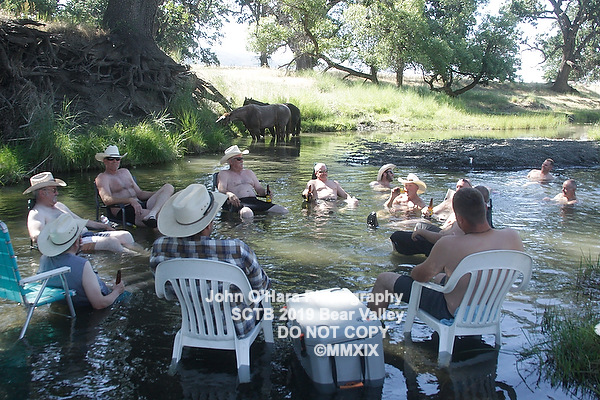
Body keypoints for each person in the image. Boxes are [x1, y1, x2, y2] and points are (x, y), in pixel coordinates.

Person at [368, 187, 524, 320]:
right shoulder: (512, 237)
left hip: (452, 312)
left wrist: (418, 269)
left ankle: (371, 327)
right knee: (440, 278)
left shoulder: (449, 244)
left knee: (384, 279)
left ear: (459, 219)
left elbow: (419, 276)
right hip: (489, 311)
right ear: (485, 208)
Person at [149, 183, 271, 336]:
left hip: (192, 326)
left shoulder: (160, 248)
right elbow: (261, 287)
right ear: (208, 225)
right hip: (237, 328)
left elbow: (166, 292)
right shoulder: (236, 250)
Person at [24, 171, 143, 253]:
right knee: (112, 242)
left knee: (125, 235)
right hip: (72, 245)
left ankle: (143, 253)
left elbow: (82, 221)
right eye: (54, 190)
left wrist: (105, 226)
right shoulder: (37, 213)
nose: (57, 193)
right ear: (42, 193)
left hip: (86, 236)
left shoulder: (59, 205)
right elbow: (35, 236)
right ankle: (139, 258)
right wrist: (61, 239)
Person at [37, 213, 126, 309]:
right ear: (77, 242)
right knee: (132, 288)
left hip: (65, 305)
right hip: (87, 308)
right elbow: (99, 304)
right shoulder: (82, 265)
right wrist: (117, 291)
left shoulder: (44, 259)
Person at [389, 180, 479, 257]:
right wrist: (427, 211)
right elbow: (433, 211)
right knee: (420, 224)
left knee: (396, 236)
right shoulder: (453, 202)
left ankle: (406, 253)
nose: (458, 189)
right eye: (457, 187)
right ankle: (415, 242)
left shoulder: (465, 215)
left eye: (462, 187)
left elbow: (444, 239)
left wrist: (422, 232)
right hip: (442, 230)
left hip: (440, 242)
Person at [95, 145, 174, 228]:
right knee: (164, 218)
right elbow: (106, 199)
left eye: (117, 159)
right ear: (105, 161)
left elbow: (140, 193)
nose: (115, 161)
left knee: (168, 187)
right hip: (124, 209)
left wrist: (159, 194)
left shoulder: (125, 172)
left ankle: (152, 214)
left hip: (140, 204)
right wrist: (130, 200)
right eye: (111, 159)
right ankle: (152, 218)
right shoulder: (102, 178)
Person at [217, 145, 288, 218]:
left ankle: (267, 224)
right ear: (230, 162)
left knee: (283, 210)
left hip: (254, 201)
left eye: (242, 158)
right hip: (238, 202)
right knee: (247, 213)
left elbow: (259, 189)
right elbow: (221, 189)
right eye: (238, 159)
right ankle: (246, 225)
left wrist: (266, 192)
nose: (242, 161)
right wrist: (229, 194)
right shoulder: (224, 174)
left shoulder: (249, 172)